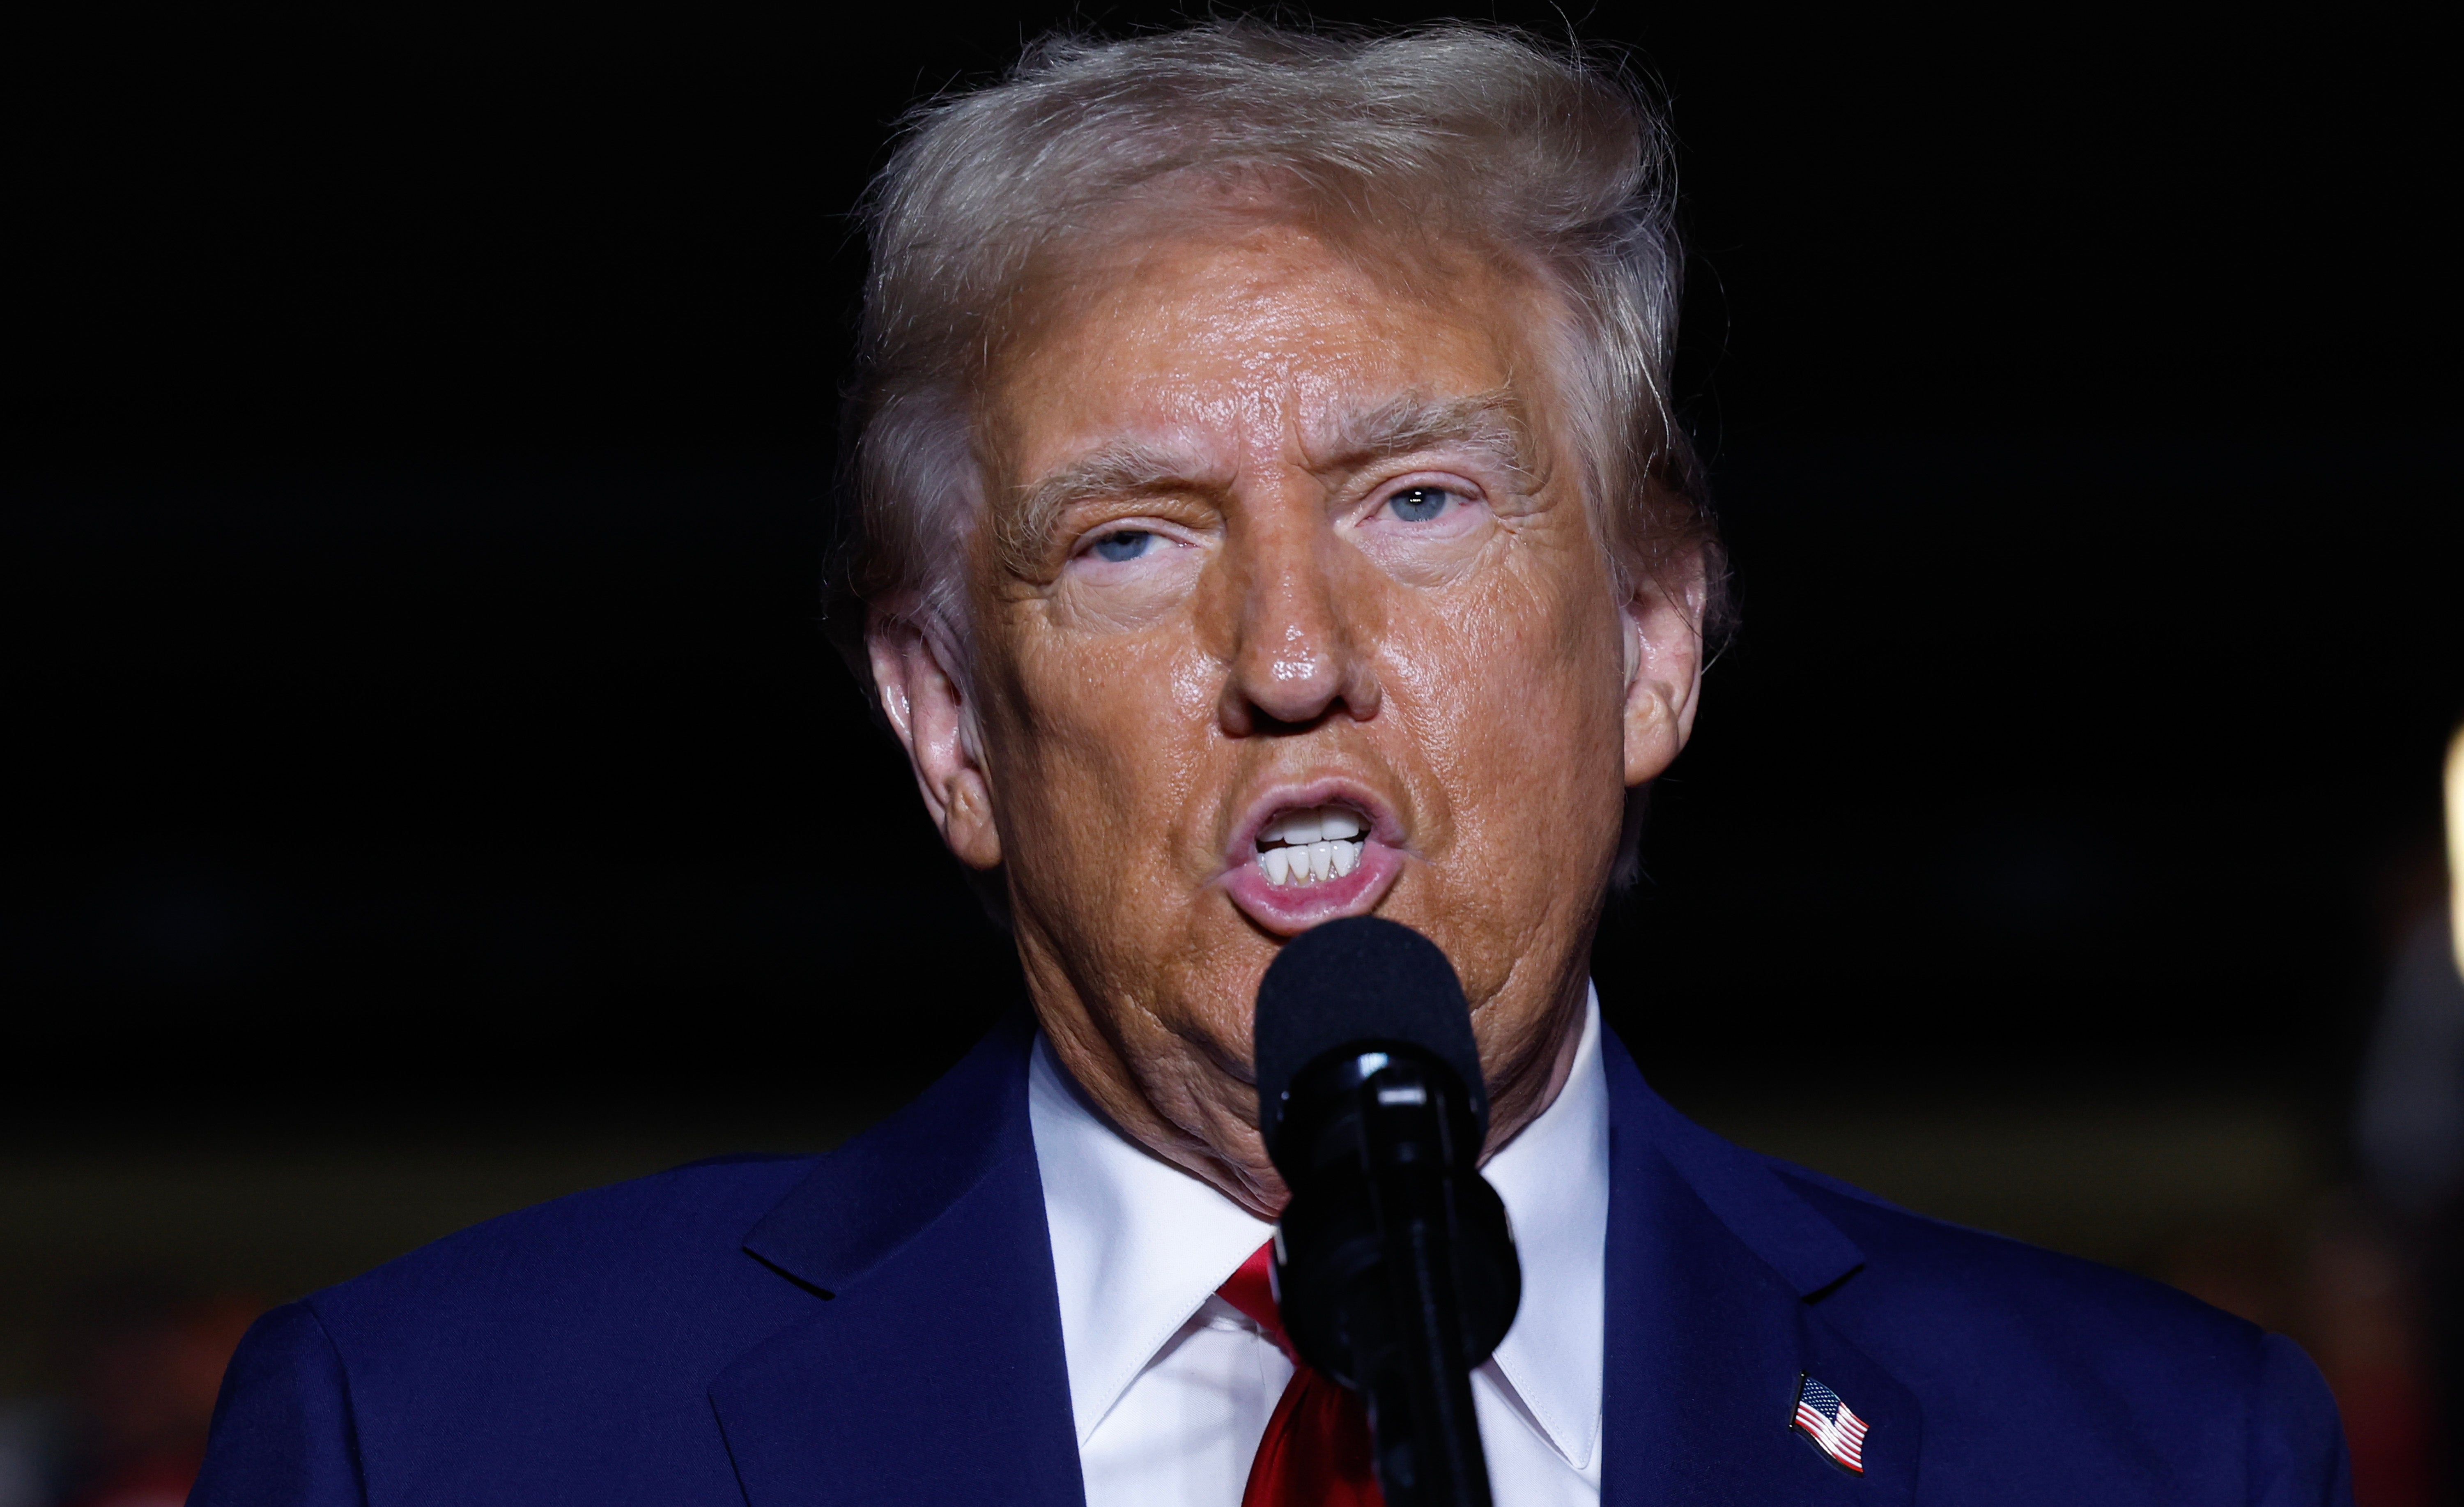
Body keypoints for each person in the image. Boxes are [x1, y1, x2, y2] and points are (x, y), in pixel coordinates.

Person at [193, 22, 2352, 1505]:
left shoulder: (2146, 1450)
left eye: (1417, 499)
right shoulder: (448, 1432)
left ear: (1657, 639)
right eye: (1132, 541)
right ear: (951, 721)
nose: (1293, 654)